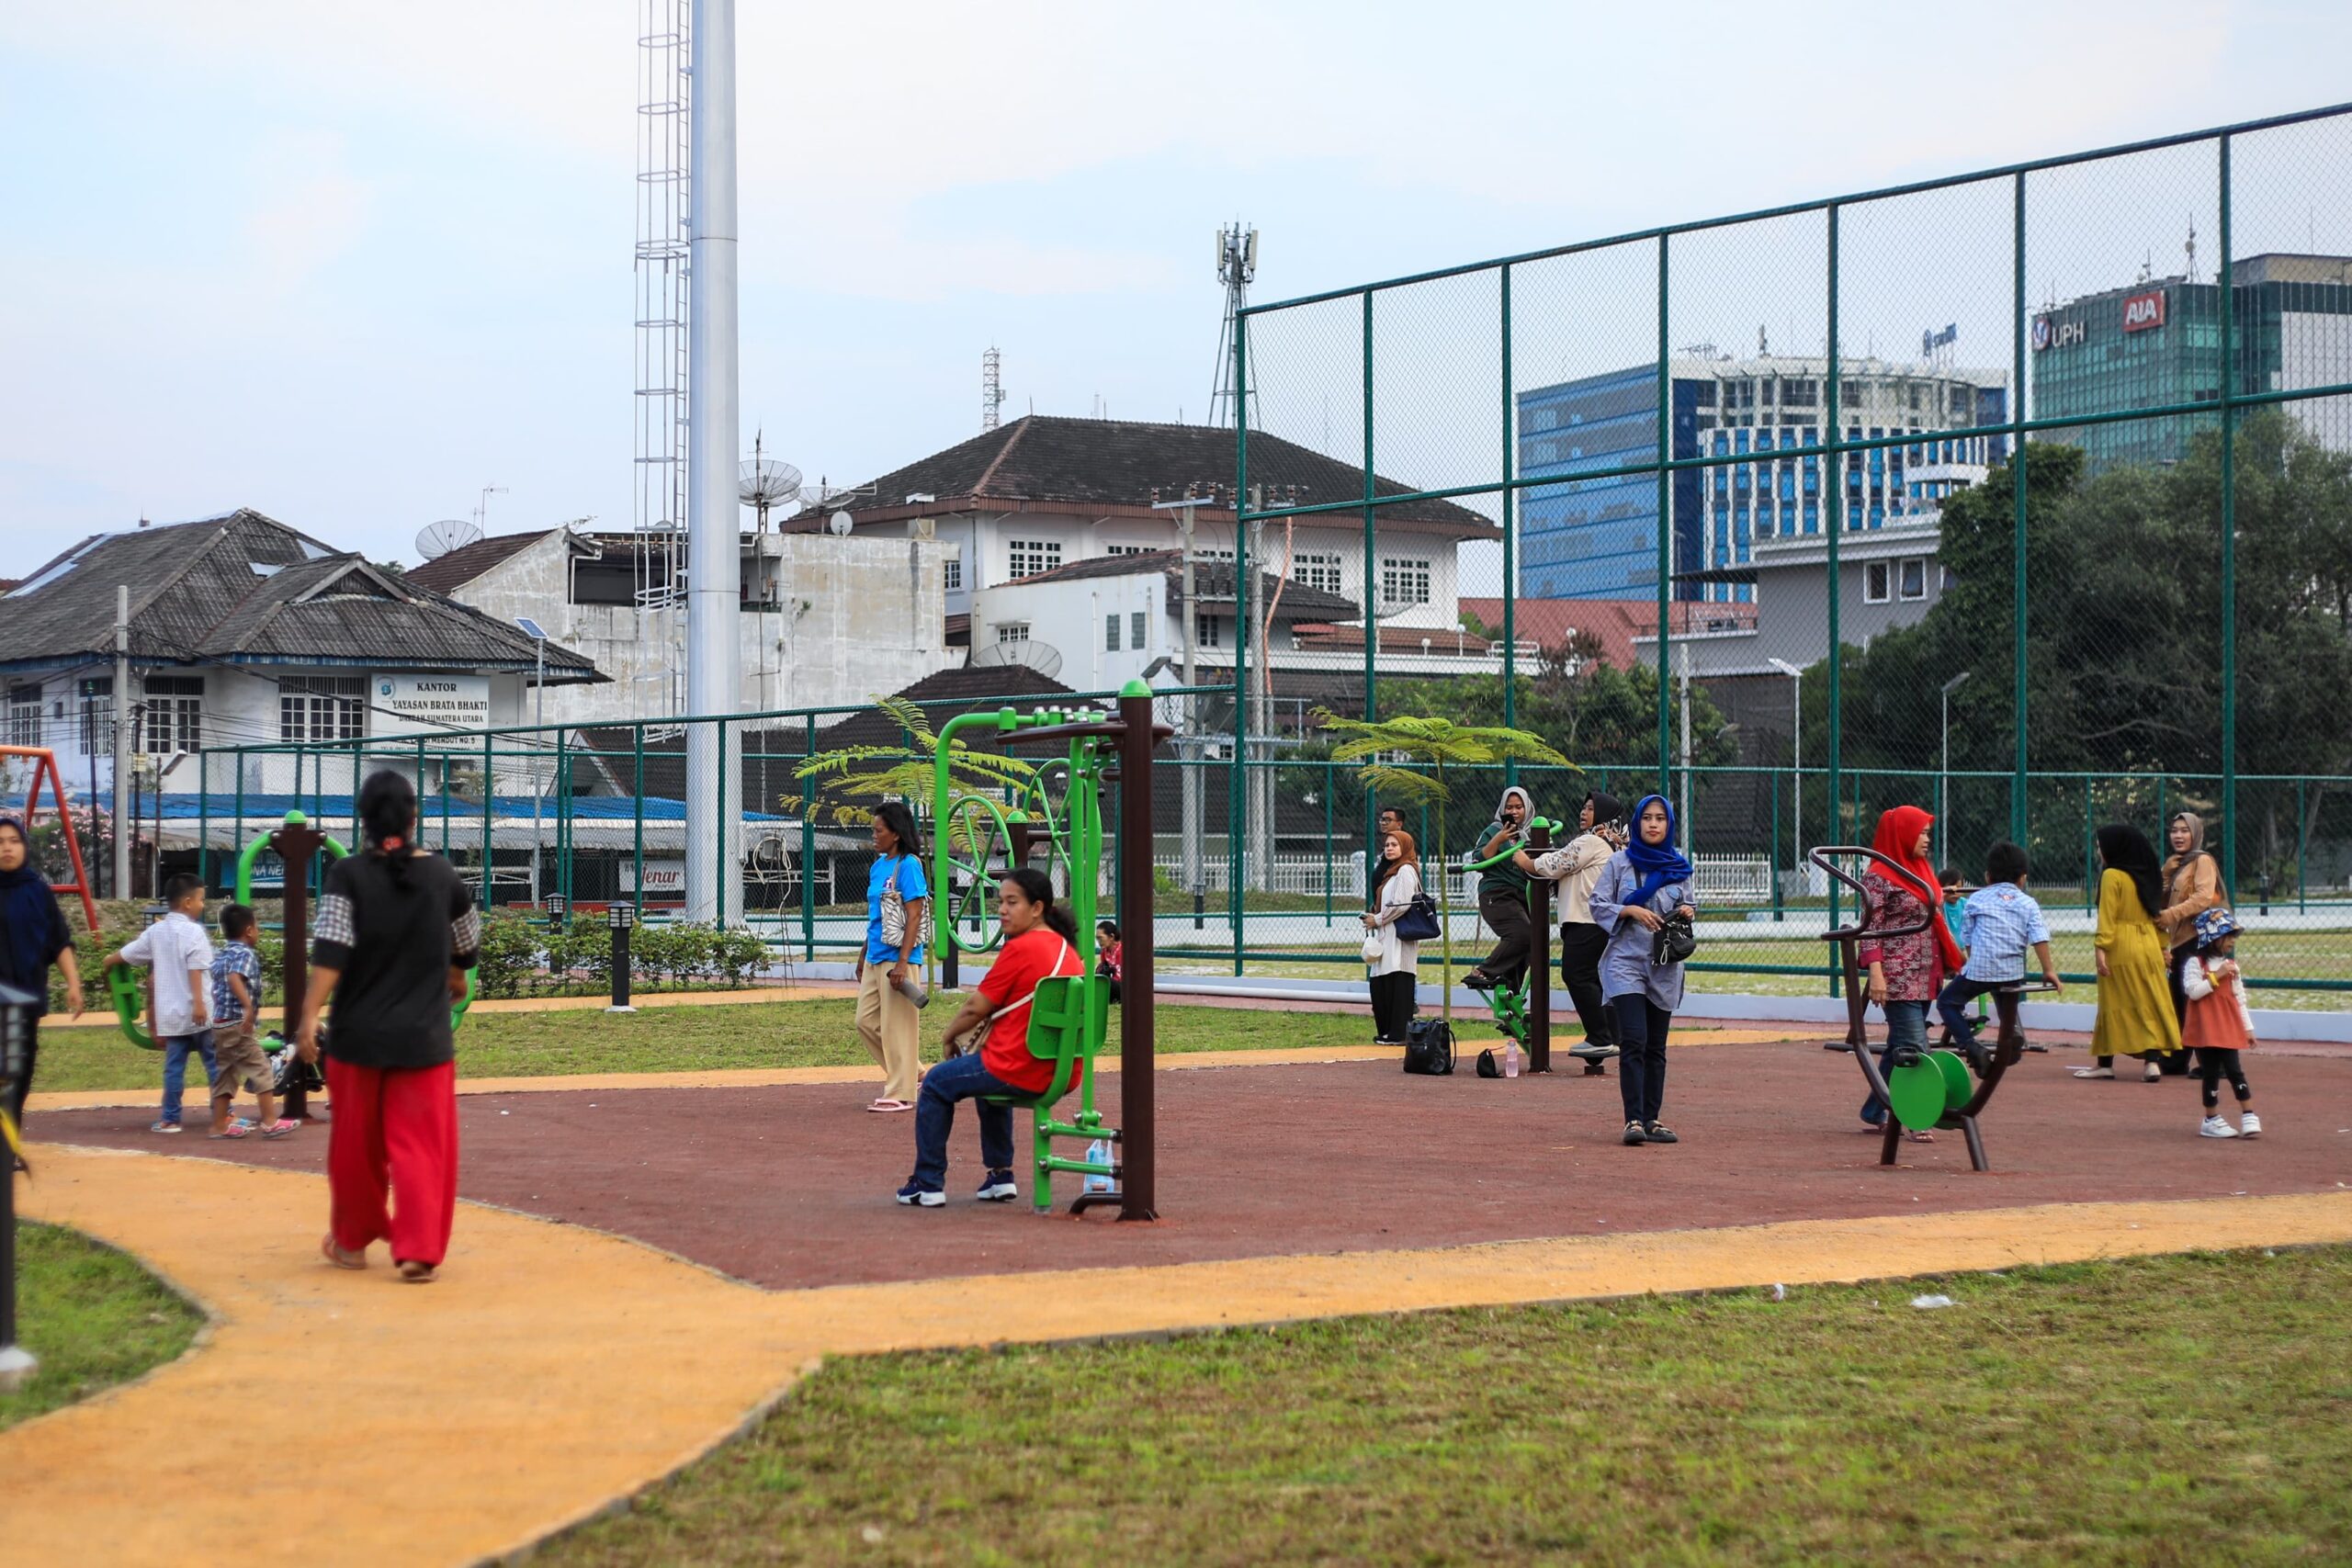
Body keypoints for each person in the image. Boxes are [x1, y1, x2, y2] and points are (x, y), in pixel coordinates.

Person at [295, 770, 480, 1282]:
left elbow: (331, 951)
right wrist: (455, 978)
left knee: (355, 1147)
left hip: (357, 1040)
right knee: (420, 1148)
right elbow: (466, 947)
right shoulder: (444, 877)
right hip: (424, 1041)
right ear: (414, 816)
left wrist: (308, 1018)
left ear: (363, 821)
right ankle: (418, 1250)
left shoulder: (347, 876)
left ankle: (352, 1244)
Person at [898, 866, 1083, 1207]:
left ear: (1037, 908)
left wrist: (948, 1036)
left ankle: (927, 1182)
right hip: (1060, 1070)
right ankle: (1000, 1176)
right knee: (984, 1086)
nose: (1002, 909)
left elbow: (975, 1008)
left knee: (937, 1082)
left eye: (1012, 902)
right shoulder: (1069, 952)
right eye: (1001, 901)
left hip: (1017, 1066)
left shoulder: (1021, 948)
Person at [1588, 795, 1697, 1147]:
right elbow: (1598, 904)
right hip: (1625, 962)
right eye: (1647, 818)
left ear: (1669, 825)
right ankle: (1632, 1119)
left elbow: (1688, 902)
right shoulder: (1619, 863)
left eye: (1660, 819)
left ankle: (1652, 1119)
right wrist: (1631, 911)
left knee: (1656, 1046)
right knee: (1634, 1038)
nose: (1653, 824)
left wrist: (1686, 912)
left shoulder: (1679, 865)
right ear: (1637, 823)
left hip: (1664, 966)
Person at [1855, 807, 1965, 1141]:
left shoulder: (1921, 870)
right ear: (1901, 833)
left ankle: (1875, 1109)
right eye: (1921, 832)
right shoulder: (1878, 875)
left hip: (1925, 972)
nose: (1927, 838)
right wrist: (1876, 973)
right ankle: (1918, 1117)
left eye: (1928, 832)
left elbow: (1931, 914)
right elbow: (1869, 927)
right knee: (1916, 1046)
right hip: (1897, 976)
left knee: (1897, 1046)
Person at [1515, 790, 1624, 1055]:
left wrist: (1524, 860)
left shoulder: (1590, 842)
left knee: (1576, 975)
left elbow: (1556, 863)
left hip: (1584, 920)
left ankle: (1599, 1036)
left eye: (1590, 809)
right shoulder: (1611, 843)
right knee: (1594, 979)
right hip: (1598, 920)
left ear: (1602, 814)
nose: (1583, 813)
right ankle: (1614, 1037)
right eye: (1583, 808)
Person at [1935, 842, 2062, 1068]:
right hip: (2011, 972)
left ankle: (1971, 1045)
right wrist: (2048, 970)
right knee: (2005, 995)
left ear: (1987, 877)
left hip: (1981, 969)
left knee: (1947, 1002)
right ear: (2022, 879)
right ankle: (2011, 1033)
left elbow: (1967, 937)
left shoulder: (1977, 900)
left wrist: (1972, 962)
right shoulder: (2028, 903)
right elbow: (2039, 936)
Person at [0, 813, 85, 1133]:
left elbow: (59, 941)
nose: (7, 849)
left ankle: (9, 1144)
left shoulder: (38, 891)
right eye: (0, 843)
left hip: (26, 1000)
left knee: (19, 1072)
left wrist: (74, 984)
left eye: (14, 841)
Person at [2080, 823, 2181, 1083]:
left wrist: (2101, 947)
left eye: (2102, 846)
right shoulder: (2148, 875)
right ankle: (2152, 1062)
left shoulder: (2112, 875)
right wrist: (2162, 947)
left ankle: (2105, 1063)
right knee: (2148, 1000)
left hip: (2121, 946)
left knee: (2112, 1003)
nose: (2099, 850)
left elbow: (2108, 916)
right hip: (2148, 944)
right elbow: (2155, 913)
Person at [119, 873, 216, 1136]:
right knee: (214, 1063)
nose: (202, 905)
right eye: (201, 899)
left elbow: (130, 953)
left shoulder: (155, 931)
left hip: (170, 1016)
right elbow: (196, 968)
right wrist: (198, 1003)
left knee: (174, 1068)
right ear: (187, 902)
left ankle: (170, 1119)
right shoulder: (195, 932)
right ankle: (223, 1113)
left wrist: (109, 961)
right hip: (200, 1013)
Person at [855, 802, 930, 1113]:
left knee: (897, 1025)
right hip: (875, 956)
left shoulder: (909, 865)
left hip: (898, 959)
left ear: (896, 834)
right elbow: (876, 915)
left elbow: (914, 915)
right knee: (865, 1021)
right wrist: (863, 955)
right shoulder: (878, 866)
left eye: (879, 830)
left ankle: (901, 1091)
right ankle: (916, 1074)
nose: (875, 835)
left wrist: (903, 963)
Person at [208, 905, 294, 1140]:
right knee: (262, 1068)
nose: (258, 932)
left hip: (220, 1024)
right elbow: (235, 977)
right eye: (257, 928)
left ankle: (218, 1125)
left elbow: (219, 979)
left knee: (225, 1074)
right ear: (248, 931)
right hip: (238, 1024)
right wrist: (247, 1007)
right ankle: (269, 1121)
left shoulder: (222, 953)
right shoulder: (245, 954)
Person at [2180, 908, 2259, 1139]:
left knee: (2234, 1070)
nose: (2232, 941)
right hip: (2205, 1030)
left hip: (2227, 1028)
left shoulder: (2232, 966)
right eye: (2228, 936)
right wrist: (2216, 976)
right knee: (2210, 1072)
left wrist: (2248, 1027)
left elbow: (2239, 999)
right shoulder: (2195, 964)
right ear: (2212, 938)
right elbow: (2193, 992)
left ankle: (2249, 1114)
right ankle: (2211, 1119)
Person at [1462, 785, 1534, 994]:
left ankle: (1512, 994)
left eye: (1519, 807)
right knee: (1523, 934)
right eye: (1509, 807)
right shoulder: (1494, 830)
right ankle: (1485, 971)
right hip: (1498, 893)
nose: (1514, 812)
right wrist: (1499, 839)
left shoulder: (1535, 832)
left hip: (1525, 896)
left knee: (1529, 946)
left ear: (1527, 808)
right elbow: (1479, 859)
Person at [2158, 811, 2222, 1026]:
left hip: (2197, 941)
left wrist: (2171, 914)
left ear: (2195, 834)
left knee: (2193, 1003)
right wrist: (2165, 875)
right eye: (2174, 831)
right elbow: (2158, 901)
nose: (2178, 835)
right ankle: (2178, 1058)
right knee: (2178, 1002)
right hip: (2178, 942)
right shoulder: (2177, 864)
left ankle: (2204, 1059)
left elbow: (2203, 898)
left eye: (2185, 831)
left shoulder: (2202, 860)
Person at [1362, 829, 1423, 1046]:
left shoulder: (1406, 870)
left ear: (1405, 847)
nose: (1389, 848)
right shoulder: (1391, 872)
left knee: (1399, 981)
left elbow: (1402, 904)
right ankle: (1387, 1031)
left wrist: (1377, 920)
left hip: (1400, 937)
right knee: (1382, 982)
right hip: (1387, 936)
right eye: (1387, 845)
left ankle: (1399, 1034)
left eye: (1394, 845)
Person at [1095, 919, 1123, 1005]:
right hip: (1115, 984)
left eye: (1100, 938)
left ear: (1111, 936)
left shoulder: (1121, 950)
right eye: (1097, 939)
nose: (1099, 942)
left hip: (1126, 988)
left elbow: (1120, 976)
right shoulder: (1104, 951)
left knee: (1106, 981)